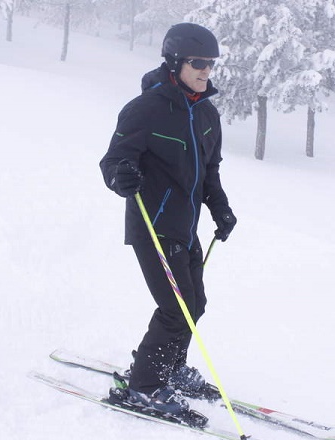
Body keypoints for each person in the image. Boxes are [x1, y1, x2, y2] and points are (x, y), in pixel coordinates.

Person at [99, 23, 237, 416]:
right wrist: (121, 176)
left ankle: (170, 369)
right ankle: (145, 385)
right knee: (176, 309)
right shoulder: (147, 107)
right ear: (175, 61)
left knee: (195, 305)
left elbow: (210, 172)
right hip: (153, 226)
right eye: (198, 63)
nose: (205, 71)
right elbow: (114, 161)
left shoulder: (208, 114)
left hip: (185, 227)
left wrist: (221, 208)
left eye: (210, 64)